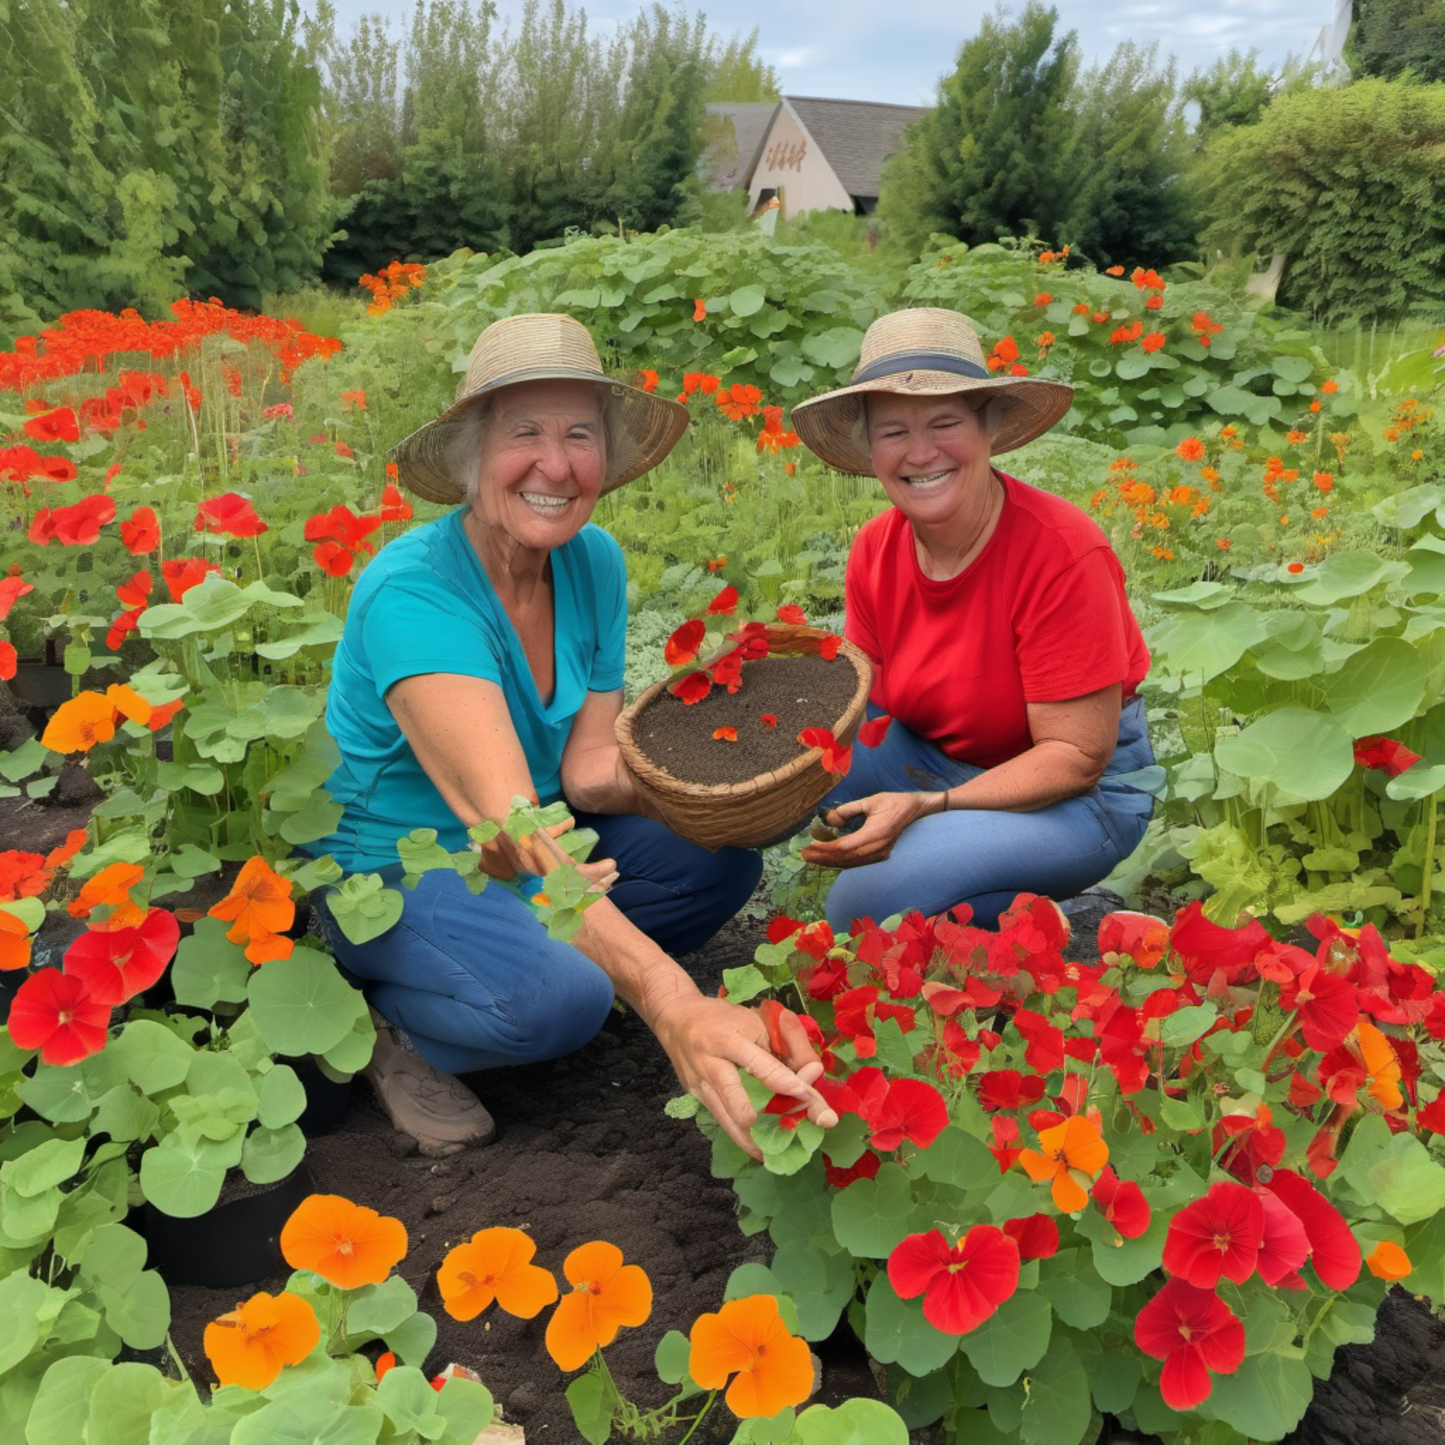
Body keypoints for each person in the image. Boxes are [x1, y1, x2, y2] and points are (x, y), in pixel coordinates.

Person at [309, 313, 835, 1158]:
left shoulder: (591, 561)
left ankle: (566, 957)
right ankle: (382, 1026)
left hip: (541, 840)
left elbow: (587, 774)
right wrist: (670, 999)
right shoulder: (414, 596)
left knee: (717, 864)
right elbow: (510, 823)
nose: (555, 466)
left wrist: (722, 780)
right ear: (472, 453)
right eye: (524, 432)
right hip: (399, 867)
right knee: (561, 1002)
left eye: (579, 436)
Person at [790, 307, 1156, 932]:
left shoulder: (1062, 551)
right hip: (934, 757)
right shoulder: (877, 546)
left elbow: (1075, 756)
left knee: (862, 908)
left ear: (988, 428)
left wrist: (927, 806)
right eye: (893, 432)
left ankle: (1039, 915)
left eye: (944, 422)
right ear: (870, 447)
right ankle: (1006, 900)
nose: (921, 452)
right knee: (803, 768)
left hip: (1076, 797)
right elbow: (862, 702)